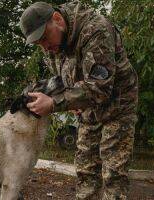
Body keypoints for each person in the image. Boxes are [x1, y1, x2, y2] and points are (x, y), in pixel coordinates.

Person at [19, 1, 138, 200]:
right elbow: (64, 80)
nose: (45, 48)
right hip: (89, 110)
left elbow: (99, 88)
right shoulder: (53, 46)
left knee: (113, 174)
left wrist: (55, 103)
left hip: (118, 106)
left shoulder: (95, 30)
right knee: (86, 171)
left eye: (44, 38)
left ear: (57, 20)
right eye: (38, 44)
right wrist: (71, 101)